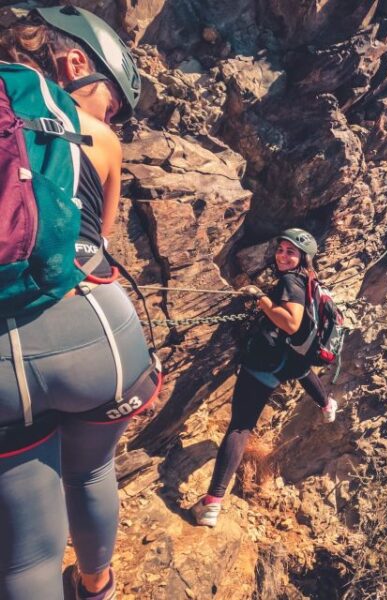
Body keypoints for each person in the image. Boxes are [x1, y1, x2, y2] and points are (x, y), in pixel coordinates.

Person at [0, 7, 159, 600]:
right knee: (92, 471)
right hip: (97, 335)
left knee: (23, 559)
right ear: (74, 63)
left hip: (3, 361)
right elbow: (100, 241)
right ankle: (96, 584)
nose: (111, 115)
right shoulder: (99, 139)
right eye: (111, 101)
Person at [192, 228, 337, 528]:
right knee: (300, 372)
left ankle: (212, 502)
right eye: (281, 249)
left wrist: (262, 301)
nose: (283, 255)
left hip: (264, 363)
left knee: (240, 427)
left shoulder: (290, 281)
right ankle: (326, 404)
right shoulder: (310, 281)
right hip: (286, 363)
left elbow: (292, 323)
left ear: (303, 258)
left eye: (291, 252)